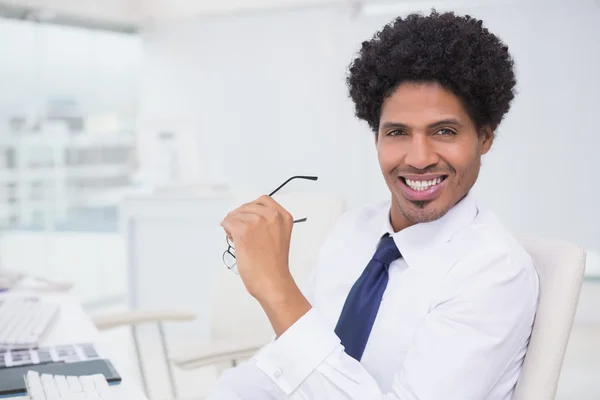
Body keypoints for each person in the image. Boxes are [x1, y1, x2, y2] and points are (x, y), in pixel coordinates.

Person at [209, 9, 539, 400]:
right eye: (397, 132)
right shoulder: (354, 229)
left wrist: (276, 288)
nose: (418, 158)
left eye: (444, 131)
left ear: (485, 138)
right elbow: (287, 371)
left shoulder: (491, 272)